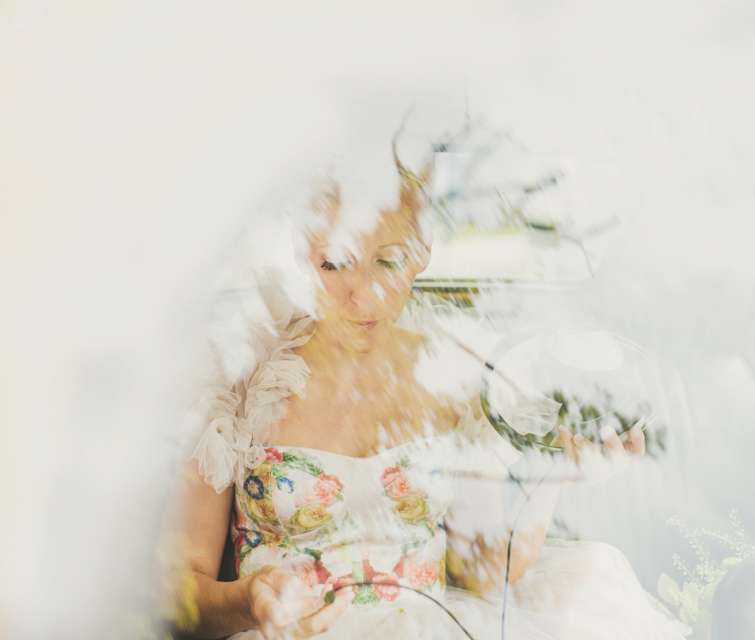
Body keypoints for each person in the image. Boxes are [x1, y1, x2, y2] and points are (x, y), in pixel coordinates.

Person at [170, 140, 690, 639]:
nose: (363, 294)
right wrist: (249, 601)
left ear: (422, 252)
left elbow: (482, 572)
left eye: (389, 261)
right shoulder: (236, 379)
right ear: (303, 251)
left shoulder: (454, 379)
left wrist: (555, 469)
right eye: (336, 262)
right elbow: (179, 597)